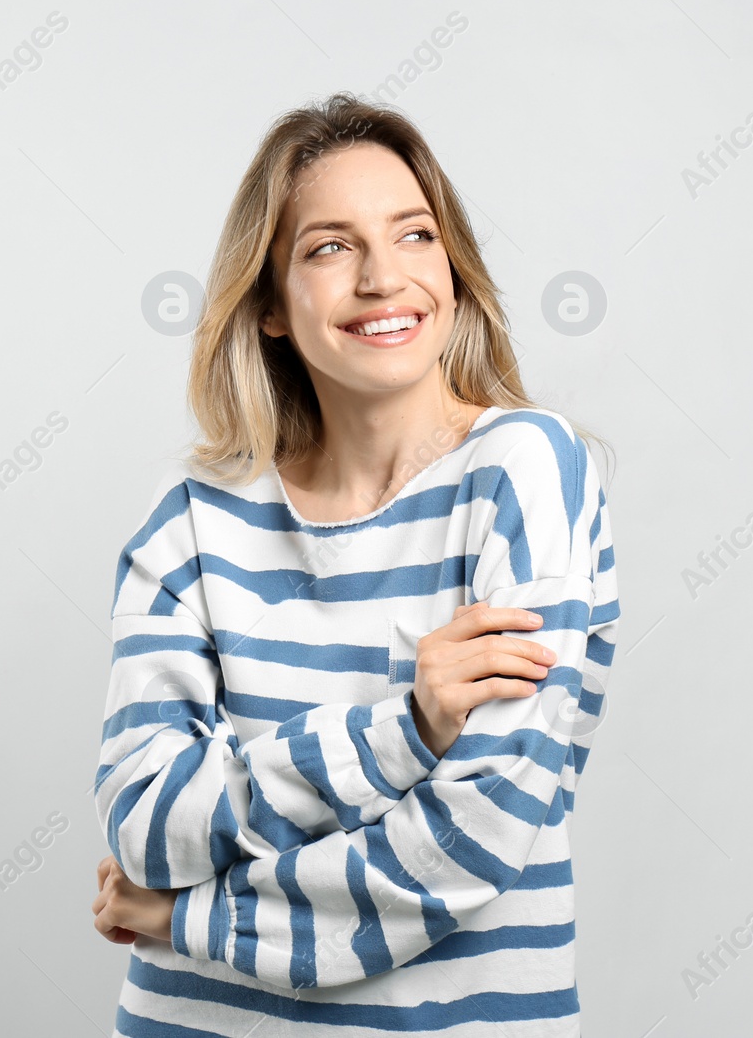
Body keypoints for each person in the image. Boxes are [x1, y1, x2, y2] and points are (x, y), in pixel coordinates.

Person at [90, 90, 620, 1036]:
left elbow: (464, 842)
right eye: (330, 247)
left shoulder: (525, 471)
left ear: (451, 268)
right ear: (270, 309)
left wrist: (183, 914)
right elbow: (143, 820)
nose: (384, 276)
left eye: (415, 235)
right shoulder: (190, 521)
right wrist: (406, 729)